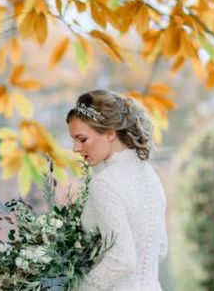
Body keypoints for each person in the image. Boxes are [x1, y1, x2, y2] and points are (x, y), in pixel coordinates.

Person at [66, 89, 168, 291]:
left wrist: (78, 287)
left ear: (110, 133)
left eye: (82, 139)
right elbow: (161, 249)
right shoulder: (151, 176)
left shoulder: (104, 183)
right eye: (74, 140)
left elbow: (123, 259)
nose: (75, 148)